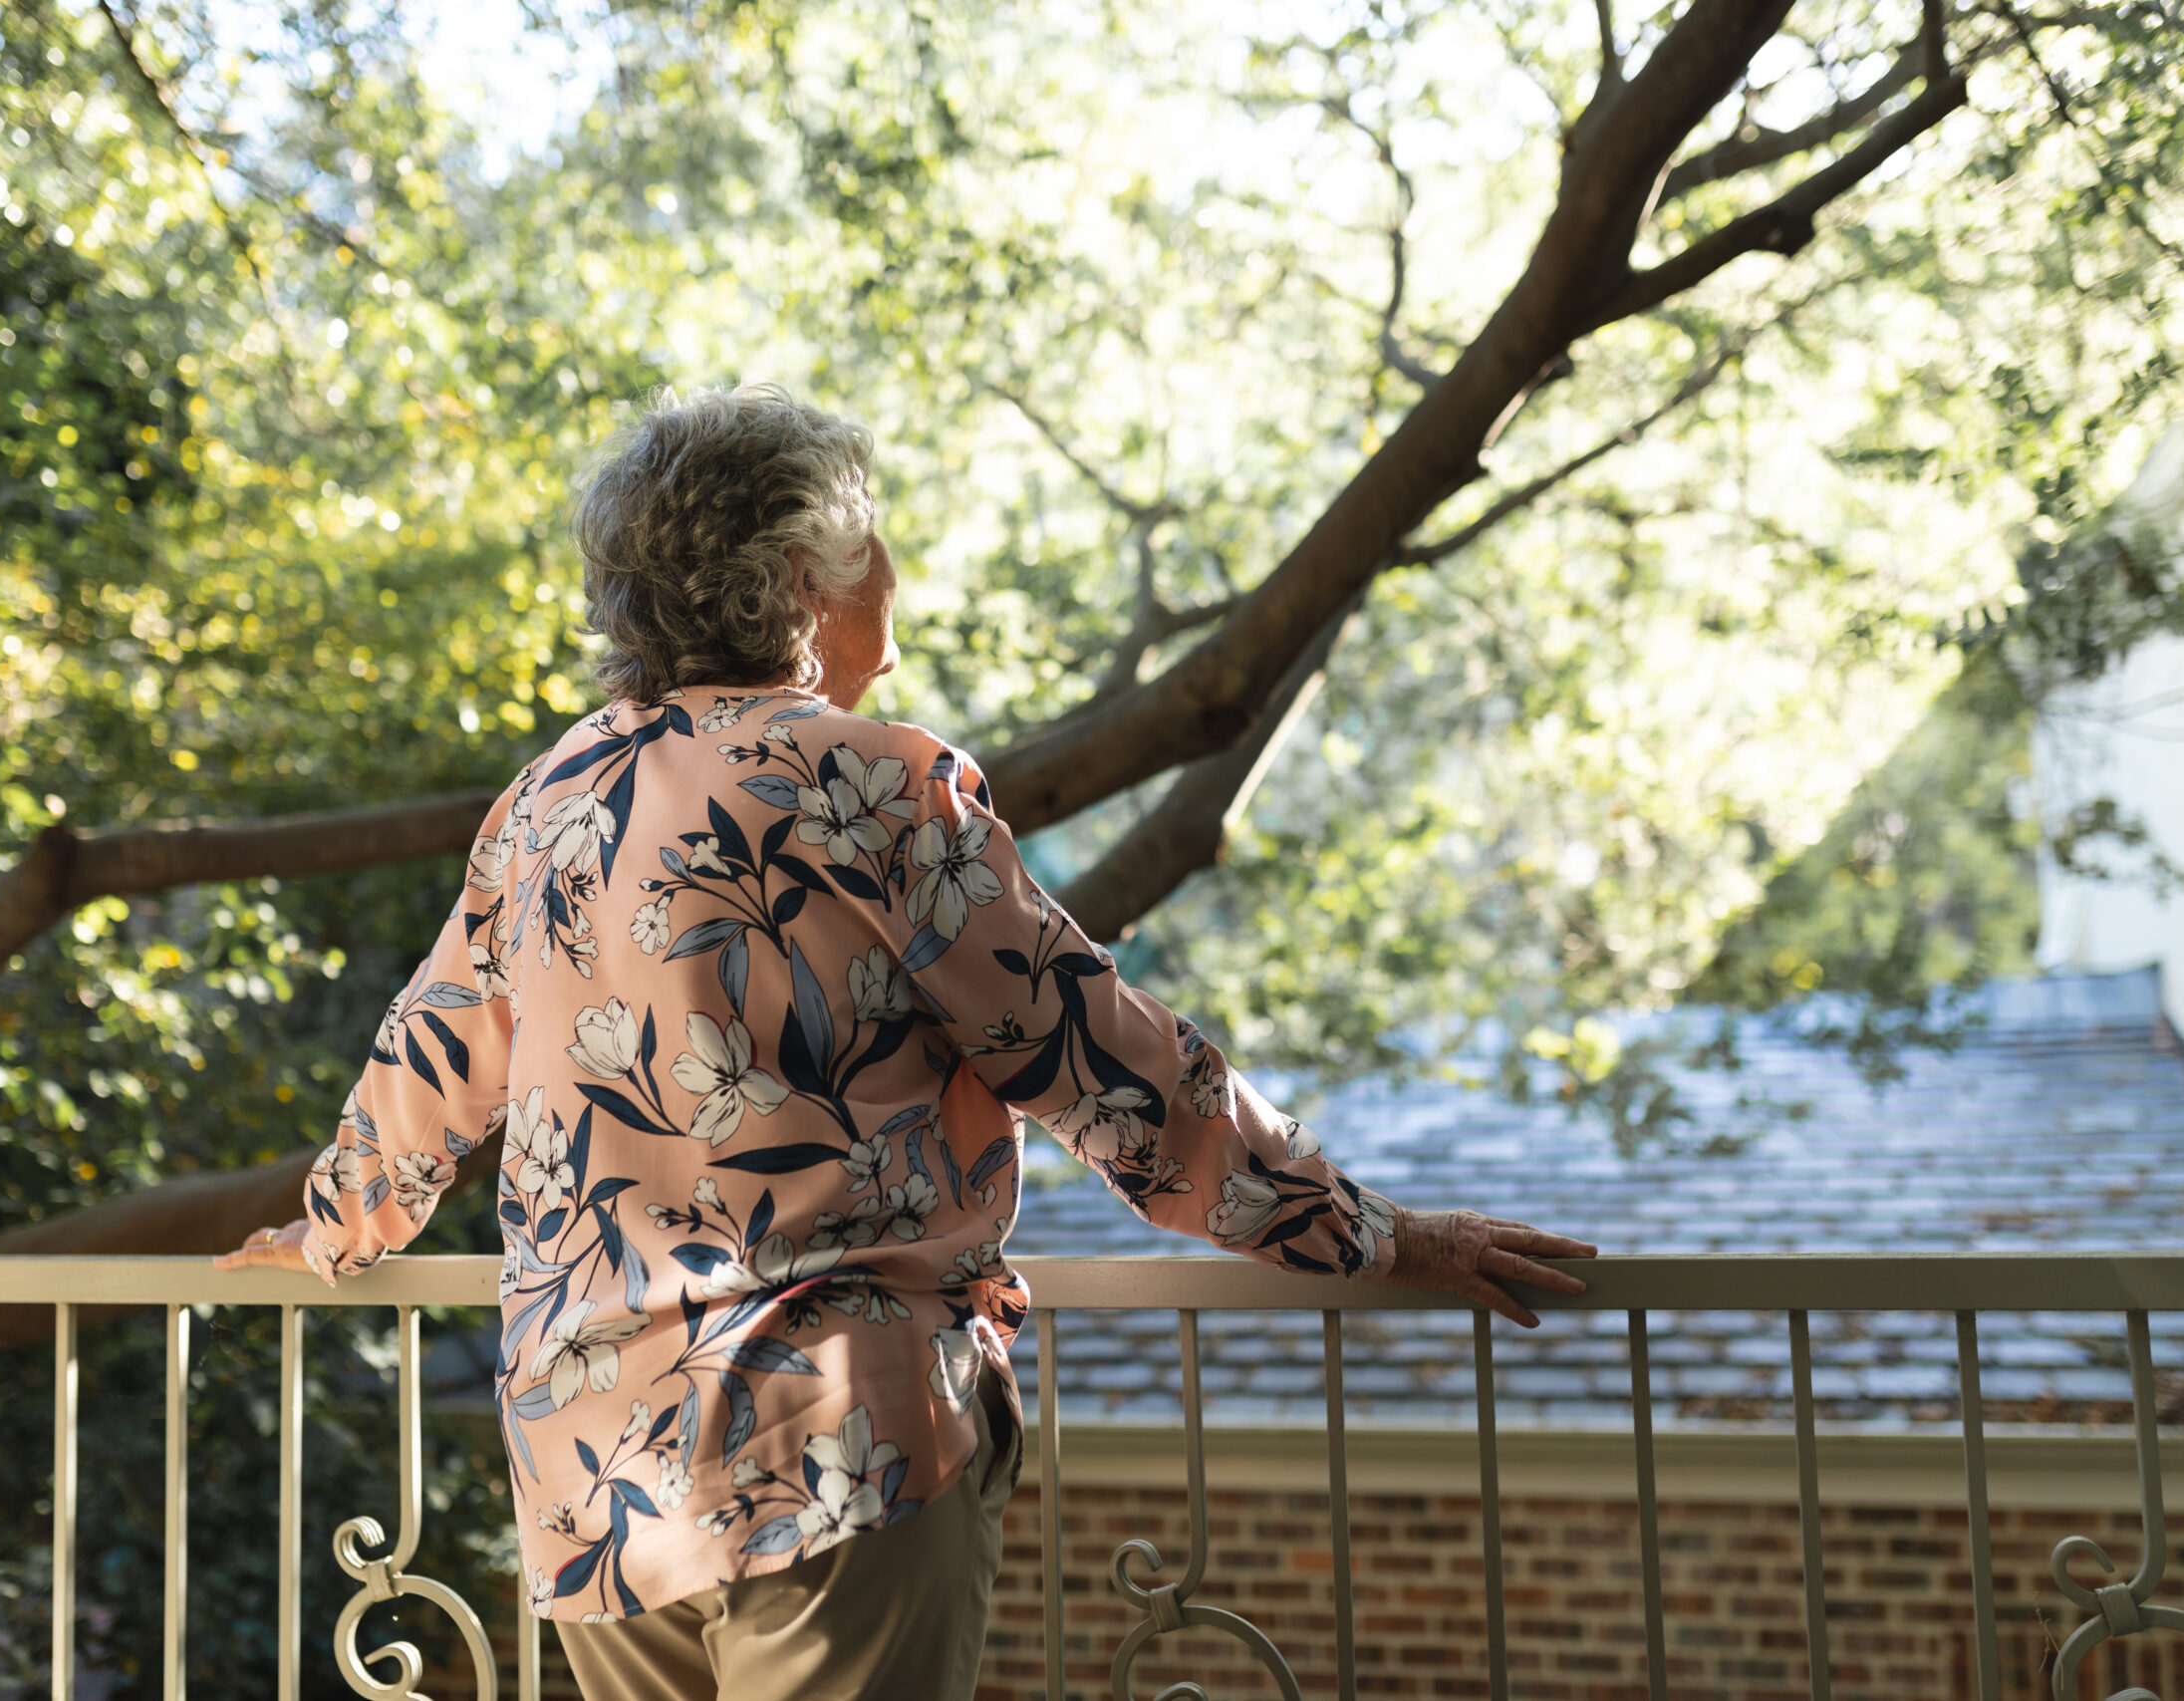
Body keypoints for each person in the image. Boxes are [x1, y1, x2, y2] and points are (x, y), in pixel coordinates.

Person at [219, 384, 1596, 1701]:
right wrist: (1367, 1233)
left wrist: (332, 1231)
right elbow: (1102, 1065)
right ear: (804, 583)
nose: (895, 576)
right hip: (833, 1439)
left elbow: (436, 1052)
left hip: (594, 1472)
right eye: (871, 544)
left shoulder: (550, 803)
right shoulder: (876, 783)